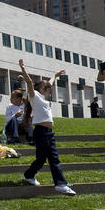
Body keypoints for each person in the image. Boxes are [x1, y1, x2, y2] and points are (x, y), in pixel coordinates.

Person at [19, 60, 75, 195]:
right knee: (43, 159)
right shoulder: (35, 97)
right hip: (41, 132)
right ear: (43, 90)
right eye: (49, 90)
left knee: (51, 158)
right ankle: (31, 176)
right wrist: (23, 69)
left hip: (49, 133)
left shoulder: (43, 99)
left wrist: (55, 75)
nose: (51, 93)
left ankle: (59, 183)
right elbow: (29, 83)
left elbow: (50, 83)